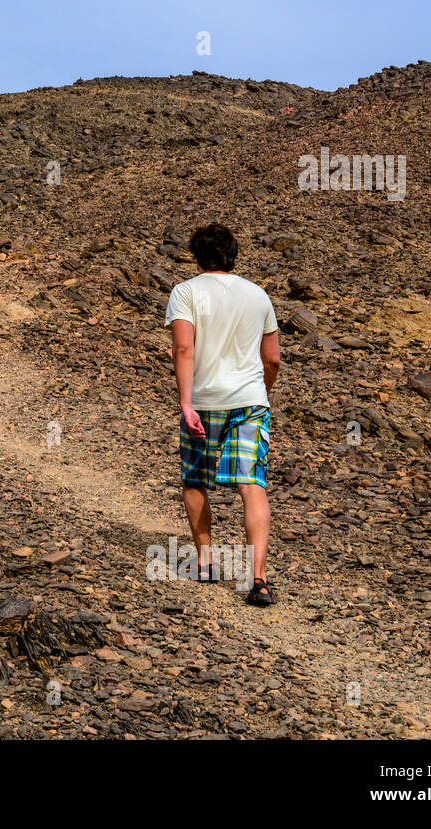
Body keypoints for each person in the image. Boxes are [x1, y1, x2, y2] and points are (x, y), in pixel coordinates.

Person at [163, 224, 281, 605]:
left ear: (196, 255)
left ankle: (206, 562)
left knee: (196, 478)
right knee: (252, 484)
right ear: (233, 254)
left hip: (203, 401)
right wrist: (262, 393)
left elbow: (184, 350)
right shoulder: (258, 295)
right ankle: (259, 579)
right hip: (250, 402)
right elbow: (273, 359)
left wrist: (186, 403)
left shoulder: (186, 292)